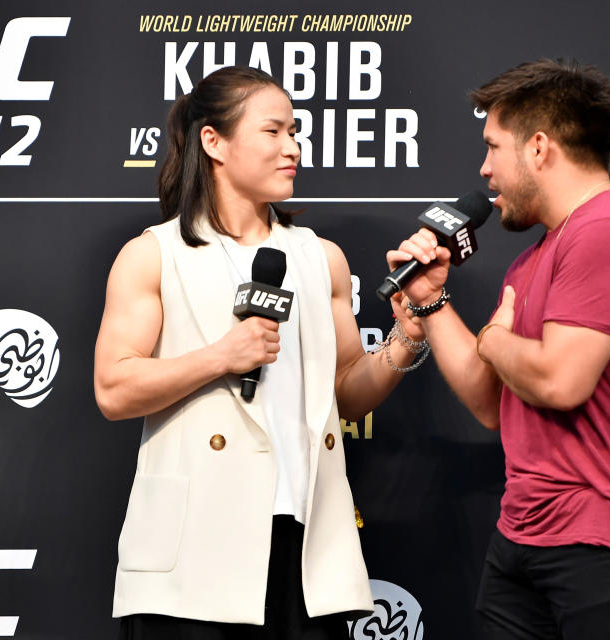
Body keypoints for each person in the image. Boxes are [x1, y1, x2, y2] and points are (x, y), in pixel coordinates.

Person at [93, 65, 428, 639]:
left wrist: (405, 339)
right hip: (193, 557)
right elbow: (114, 389)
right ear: (213, 141)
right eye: (273, 132)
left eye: (295, 132)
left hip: (304, 550)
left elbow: (347, 393)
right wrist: (222, 355)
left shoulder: (321, 258)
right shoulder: (154, 255)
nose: (292, 148)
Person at [387, 59, 610, 639]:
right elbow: (487, 402)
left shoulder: (609, 231)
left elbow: (558, 382)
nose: (484, 170)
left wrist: (493, 338)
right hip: (523, 535)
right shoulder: (538, 256)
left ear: (540, 149)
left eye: (493, 147)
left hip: (606, 540)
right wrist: (431, 300)